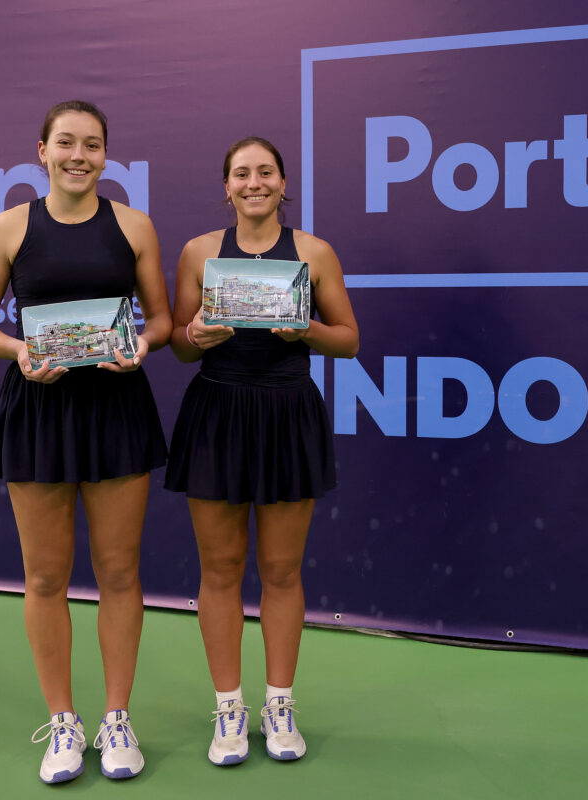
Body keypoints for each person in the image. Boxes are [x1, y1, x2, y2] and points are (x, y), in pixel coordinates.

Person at [0, 100, 172, 784]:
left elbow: (162, 320)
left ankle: (116, 719)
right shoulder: (10, 228)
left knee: (119, 573)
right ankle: (64, 722)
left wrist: (141, 343)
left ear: (108, 155)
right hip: (38, 410)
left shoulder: (134, 226)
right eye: (67, 143)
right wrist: (17, 349)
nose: (80, 155)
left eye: (94, 144)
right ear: (42, 149)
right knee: (46, 576)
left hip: (117, 410)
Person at [165, 136, 359, 765]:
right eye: (241, 174)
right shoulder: (198, 252)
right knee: (219, 571)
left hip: (287, 413)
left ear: (283, 183)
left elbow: (349, 341)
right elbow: (181, 344)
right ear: (226, 186)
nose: (254, 182)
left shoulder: (313, 252)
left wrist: (308, 330)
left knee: (280, 571)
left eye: (265, 172)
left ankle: (280, 704)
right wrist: (194, 332)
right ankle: (228, 708)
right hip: (217, 411)